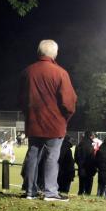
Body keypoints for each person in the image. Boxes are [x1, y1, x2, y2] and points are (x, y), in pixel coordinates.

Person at [18, 39, 77, 201]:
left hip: (34, 122)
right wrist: (65, 118)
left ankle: (30, 191)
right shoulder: (60, 73)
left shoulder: (27, 72)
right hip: (54, 123)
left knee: (33, 155)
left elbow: (21, 100)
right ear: (54, 53)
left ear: (39, 52)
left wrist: (28, 114)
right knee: (52, 157)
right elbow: (69, 102)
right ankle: (50, 192)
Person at [75, 131, 96, 195]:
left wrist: (80, 165)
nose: (93, 137)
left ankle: (80, 197)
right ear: (90, 136)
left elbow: (76, 157)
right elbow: (91, 159)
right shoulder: (89, 145)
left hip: (81, 168)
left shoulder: (79, 144)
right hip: (88, 169)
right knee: (88, 189)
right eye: (92, 135)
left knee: (81, 188)